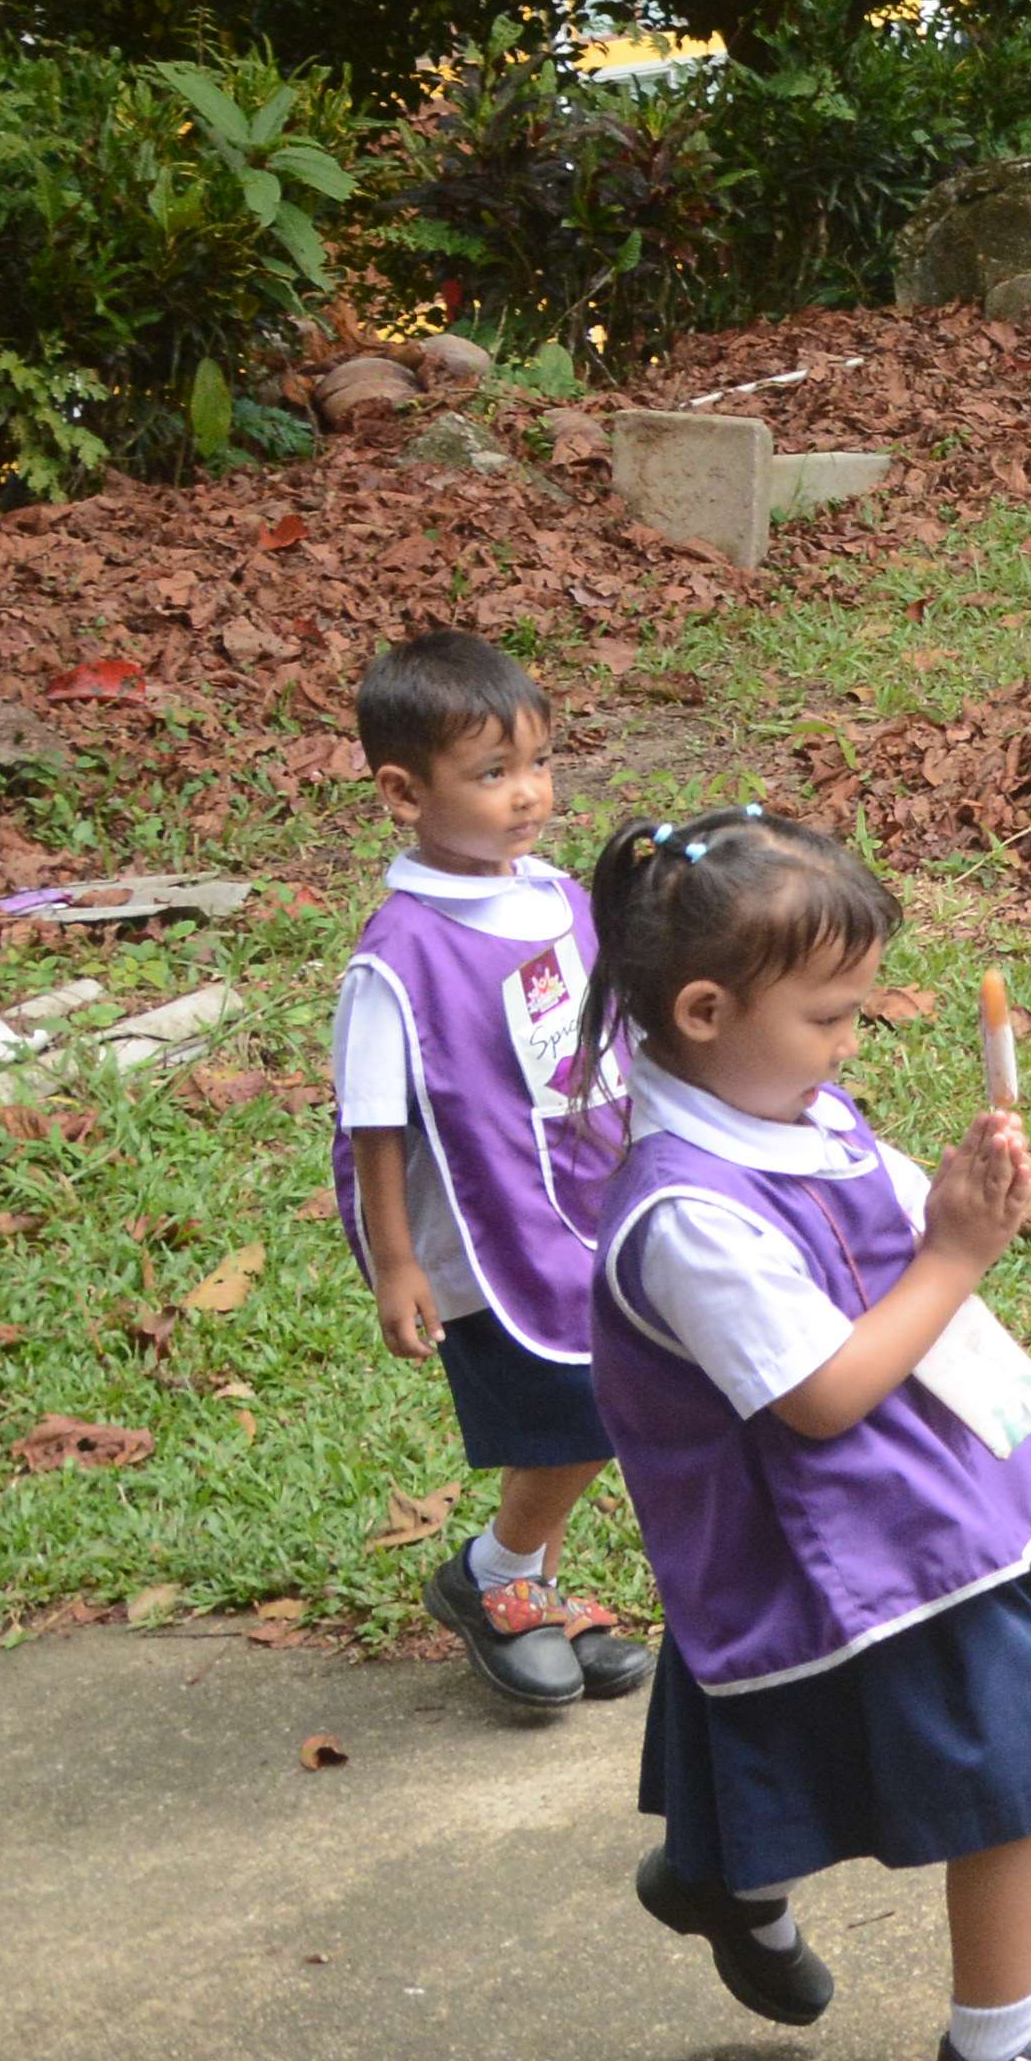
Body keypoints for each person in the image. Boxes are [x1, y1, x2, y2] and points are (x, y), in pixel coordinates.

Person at [581, 809, 1031, 2061]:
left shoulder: (779, 1103)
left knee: (798, 1719)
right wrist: (953, 1258)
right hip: (852, 1543)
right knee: (1018, 1760)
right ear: (703, 1011)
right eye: (830, 1017)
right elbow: (824, 1395)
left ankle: (721, 1873)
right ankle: (1001, 2060)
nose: (851, 1044)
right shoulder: (687, 1216)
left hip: (907, 1514)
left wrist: (950, 1200)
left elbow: (867, 1226)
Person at [330, 632, 647, 1717]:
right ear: (403, 793)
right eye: (492, 772)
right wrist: (395, 1264)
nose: (528, 793)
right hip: (489, 1231)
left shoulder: (558, 895)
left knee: (616, 1389)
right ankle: (497, 1574)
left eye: (540, 763)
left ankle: (527, 1587)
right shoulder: (400, 953)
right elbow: (374, 1122)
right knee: (580, 1409)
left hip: (588, 1204)